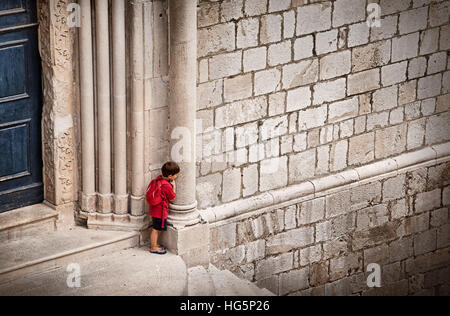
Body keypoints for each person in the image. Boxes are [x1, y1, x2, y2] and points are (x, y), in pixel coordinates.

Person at [148, 161, 179, 255]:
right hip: (160, 211)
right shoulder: (166, 186)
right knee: (156, 229)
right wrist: (174, 186)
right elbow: (172, 198)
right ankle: (153, 247)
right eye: (176, 175)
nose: (176, 177)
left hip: (155, 209)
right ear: (170, 176)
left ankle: (155, 244)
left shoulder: (158, 180)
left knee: (157, 228)